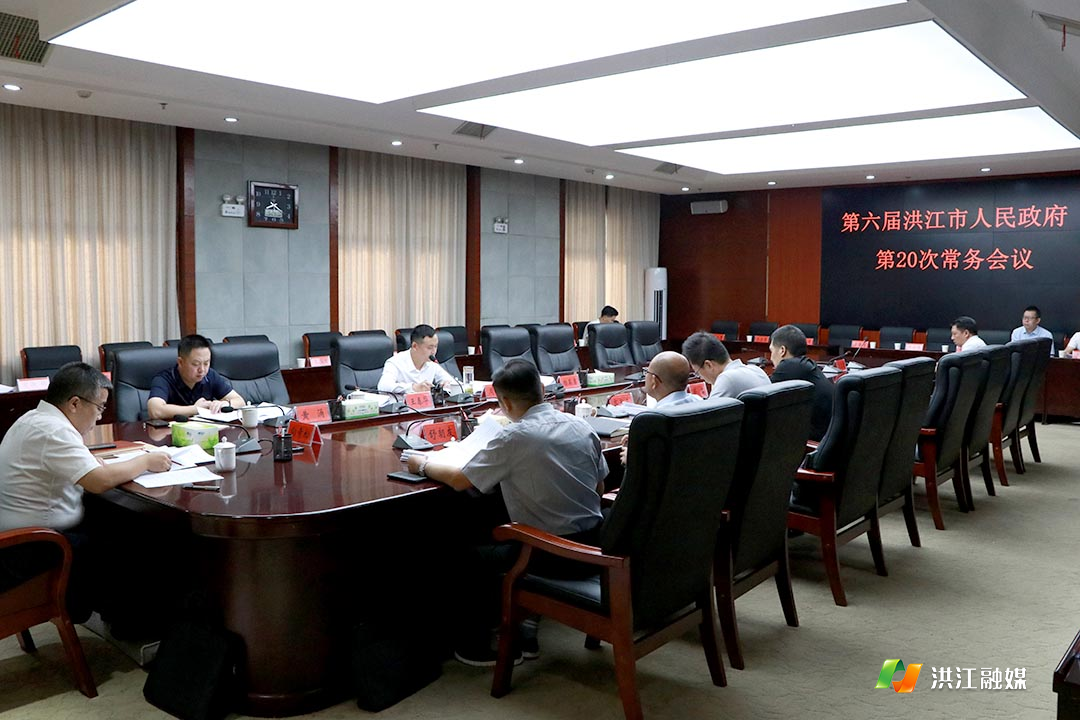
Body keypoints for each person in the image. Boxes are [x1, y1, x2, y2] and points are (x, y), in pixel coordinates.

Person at [407, 359, 606, 666]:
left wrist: (421, 464)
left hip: (551, 556)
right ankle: (524, 624)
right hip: (595, 544)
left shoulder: (515, 437)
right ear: (541, 390)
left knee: (464, 554)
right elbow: (599, 486)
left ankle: (475, 644)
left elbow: (460, 480)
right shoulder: (581, 426)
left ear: (505, 403)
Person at [0, 362, 171, 620]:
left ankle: (128, 619)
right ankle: (134, 620)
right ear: (75, 403)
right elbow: (99, 481)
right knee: (134, 538)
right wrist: (146, 461)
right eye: (100, 407)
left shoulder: (33, 419)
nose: (100, 416)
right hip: (34, 548)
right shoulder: (54, 430)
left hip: (24, 536)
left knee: (121, 521)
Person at [147, 334, 245, 420]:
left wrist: (225, 404)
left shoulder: (210, 375)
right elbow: (155, 411)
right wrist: (195, 409)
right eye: (196, 364)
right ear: (180, 362)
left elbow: (240, 402)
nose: (202, 370)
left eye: (206, 363)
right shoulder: (164, 379)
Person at [769, 325, 835, 441]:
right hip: (830, 436)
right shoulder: (806, 365)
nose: (770, 358)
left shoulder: (788, 366)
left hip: (817, 442)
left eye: (771, 351)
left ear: (782, 350)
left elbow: (763, 395)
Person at [682, 331, 770, 399]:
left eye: (698, 372)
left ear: (708, 365)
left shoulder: (727, 378)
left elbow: (708, 416)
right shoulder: (756, 370)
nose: (700, 377)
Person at [378, 324, 461, 395]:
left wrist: (447, 384)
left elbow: (454, 383)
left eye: (435, 346)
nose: (433, 352)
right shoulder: (395, 362)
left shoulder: (432, 363)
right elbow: (383, 386)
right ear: (415, 346)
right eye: (430, 347)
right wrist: (413, 387)